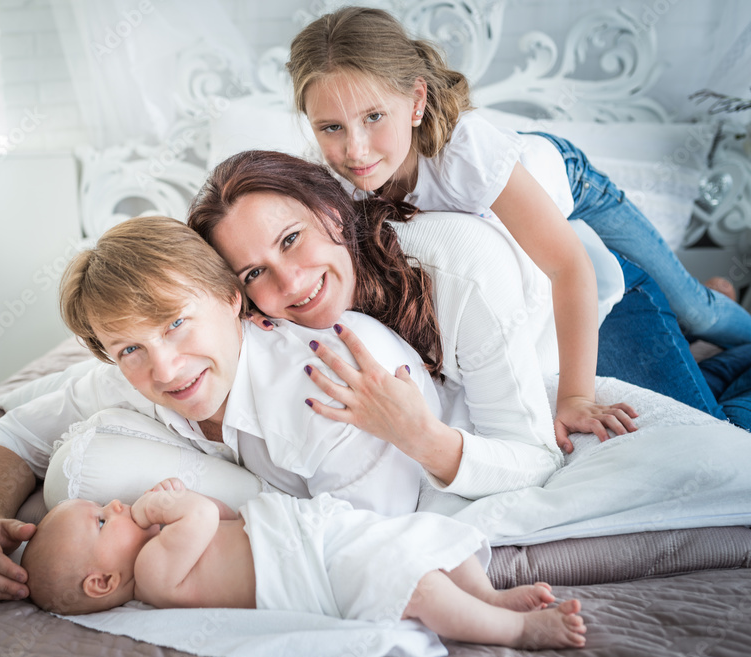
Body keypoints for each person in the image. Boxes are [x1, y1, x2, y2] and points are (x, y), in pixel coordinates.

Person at [283, 7, 751, 430]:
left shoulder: (466, 155)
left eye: (374, 117)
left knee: (693, 307)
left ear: (417, 102)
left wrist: (575, 397)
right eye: (331, 127)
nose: (355, 150)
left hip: (566, 182)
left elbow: (567, 266)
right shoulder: (334, 184)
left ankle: (723, 309)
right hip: (505, 201)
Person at [0, 215, 441, 603]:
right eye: (129, 349)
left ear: (232, 297)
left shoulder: (328, 388)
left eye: (176, 323)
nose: (165, 370)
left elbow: (374, 556)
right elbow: (7, 439)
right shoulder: (126, 381)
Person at [188, 148, 751, 478]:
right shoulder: (262, 318)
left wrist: (421, 438)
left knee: (722, 446)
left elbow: (534, 455)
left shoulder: (456, 268)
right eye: (253, 272)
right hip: (507, 343)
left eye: (290, 240)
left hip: (598, 318)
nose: (288, 283)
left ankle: (714, 323)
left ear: (333, 211)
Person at [21, 478, 587, 650]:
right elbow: (199, 518)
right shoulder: (151, 574)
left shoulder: (154, 547)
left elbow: (218, 514)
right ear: (103, 582)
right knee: (414, 587)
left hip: (320, 536)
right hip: (312, 574)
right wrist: (177, 506)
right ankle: (515, 630)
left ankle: (485, 596)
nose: (116, 505)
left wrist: (189, 504)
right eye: (102, 520)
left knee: (430, 536)